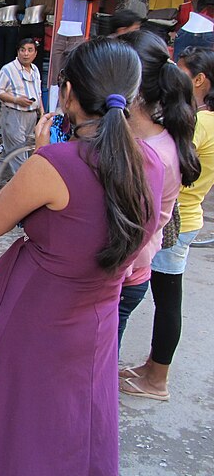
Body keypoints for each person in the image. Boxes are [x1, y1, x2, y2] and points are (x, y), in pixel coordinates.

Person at [0, 37, 164, 475]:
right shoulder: (150, 164)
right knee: (80, 418)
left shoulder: (54, 162)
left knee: (23, 425)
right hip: (97, 318)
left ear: (68, 93)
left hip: (38, 315)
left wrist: (39, 153)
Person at [119, 46, 214, 401]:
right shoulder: (205, 119)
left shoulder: (198, 122)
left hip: (173, 219)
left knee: (167, 301)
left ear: (199, 80)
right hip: (183, 215)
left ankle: (157, 379)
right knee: (164, 299)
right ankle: (151, 370)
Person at [0, 38, 43, 175]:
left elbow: (38, 94)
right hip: (13, 114)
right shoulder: (8, 69)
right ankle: (24, 189)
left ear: (35, 53)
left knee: (13, 153)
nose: (26, 54)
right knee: (18, 155)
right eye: (23, 50)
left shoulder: (35, 70)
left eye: (30, 50)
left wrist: (42, 114)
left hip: (31, 115)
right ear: (18, 52)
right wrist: (16, 100)